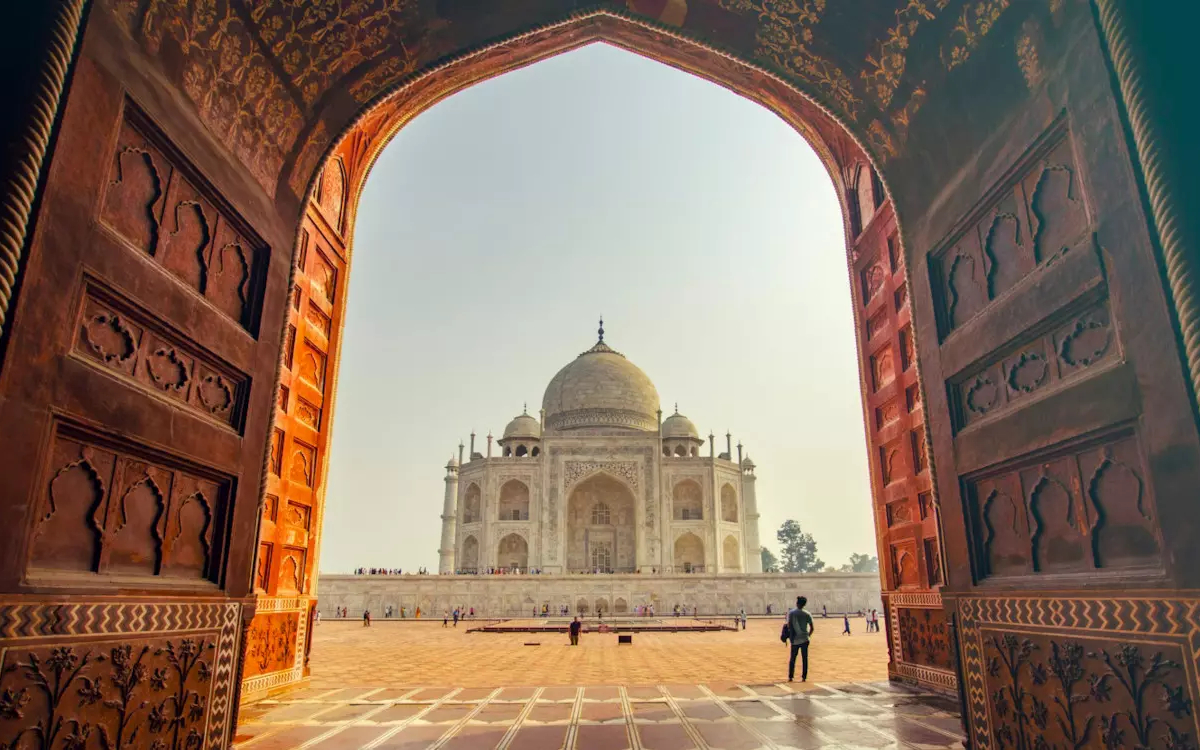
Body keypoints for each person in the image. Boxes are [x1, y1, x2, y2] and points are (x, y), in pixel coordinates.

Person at [785, 596, 815, 682]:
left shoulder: (791, 613)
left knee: (793, 659)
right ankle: (804, 677)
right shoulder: (807, 614)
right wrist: (808, 636)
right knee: (804, 658)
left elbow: (788, 626)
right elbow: (812, 628)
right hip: (805, 639)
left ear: (797, 603)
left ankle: (791, 676)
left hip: (794, 639)